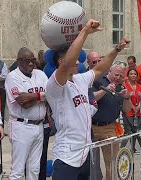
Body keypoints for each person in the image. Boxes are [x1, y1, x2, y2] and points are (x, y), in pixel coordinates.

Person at [45, 19, 130, 180]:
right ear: (62, 62)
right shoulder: (54, 85)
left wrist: (117, 49)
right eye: (75, 58)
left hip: (84, 151)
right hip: (67, 155)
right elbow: (67, 64)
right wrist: (84, 32)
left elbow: (101, 68)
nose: (78, 61)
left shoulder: (80, 79)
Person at [5, 47, 48, 180]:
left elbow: (51, 95)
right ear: (19, 61)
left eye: (33, 60)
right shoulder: (12, 76)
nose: (31, 64)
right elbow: (23, 102)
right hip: (21, 125)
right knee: (18, 170)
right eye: (27, 61)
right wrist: (42, 96)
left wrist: (34, 96)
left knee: (34, 169)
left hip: (39, 125)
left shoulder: (40, 74)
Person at [91, 60, 132, 180]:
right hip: (92, 127)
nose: (118, 78)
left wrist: (126, 97)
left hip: (110, 127)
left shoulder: (121, 87)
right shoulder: (98, 81)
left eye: (121, 76)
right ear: (109, 71)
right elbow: (91, 98)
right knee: (91, 163)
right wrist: (105, 90)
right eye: (116, 74)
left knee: (112, 162)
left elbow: (127, 109)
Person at [121, 68, 141, 154]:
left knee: (135, 131)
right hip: (128, 112)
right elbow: (126, 98)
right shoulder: (125, 86)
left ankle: (133, 148)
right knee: (128, 132)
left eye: (135, 74)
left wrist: (138, 107)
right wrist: (132, 107)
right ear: (128, 75)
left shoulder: (140, 86)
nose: (133, 75)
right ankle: (121, 148)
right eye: (131, 74)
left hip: (137, 112)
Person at [0, 57, 8, 126]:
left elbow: (4, 75)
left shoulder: (1, 63)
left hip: (1, 89)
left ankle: (1, 126)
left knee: (1, 108)